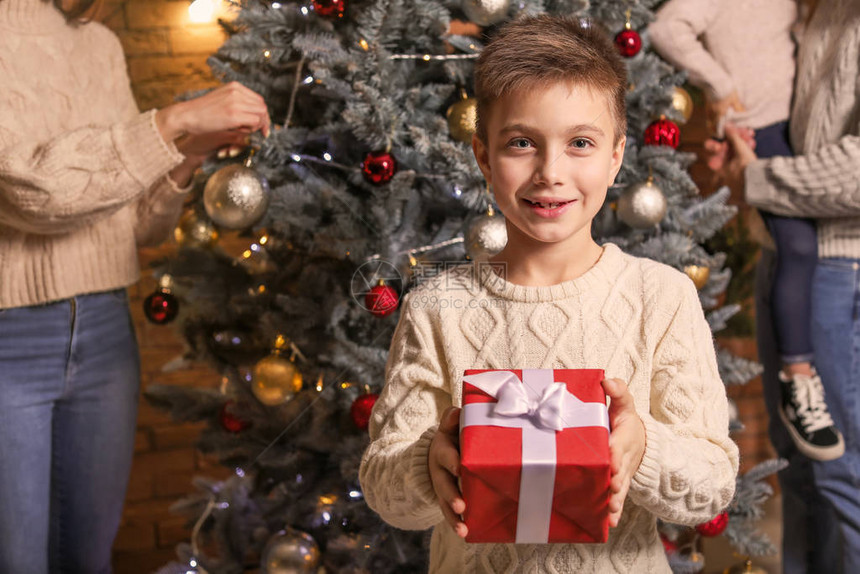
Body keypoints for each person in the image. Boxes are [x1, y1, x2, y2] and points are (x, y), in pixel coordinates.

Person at [359, 15, 739, 573]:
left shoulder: (662, 297)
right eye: (521, 143)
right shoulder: (436, 305)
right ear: (485, 158)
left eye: (580, 142)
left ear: (615, 157)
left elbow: (711, 487)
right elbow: (383, 485)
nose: (550, 172)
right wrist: (426, 464)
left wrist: (643, 448)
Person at [0, 0, 270, 572]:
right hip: (8, 339)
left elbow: (140, 224)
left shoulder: (98, 43)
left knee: (87, 558)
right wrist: (173, 122)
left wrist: (186, 154)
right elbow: (33, 194)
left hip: (103, 332)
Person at [650, 0, 844, 462]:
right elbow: (665, 29)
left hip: (795, 127)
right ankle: (798, 378)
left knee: (799, 245)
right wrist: (719, 85)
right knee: (797, 246)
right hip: (756, 126)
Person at [721, 0, 860, 570]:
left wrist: (755, 176)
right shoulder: (820, 10)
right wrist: (747, 149)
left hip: (838, 269)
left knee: (841, 474)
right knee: (796, 469)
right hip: (788, 258)